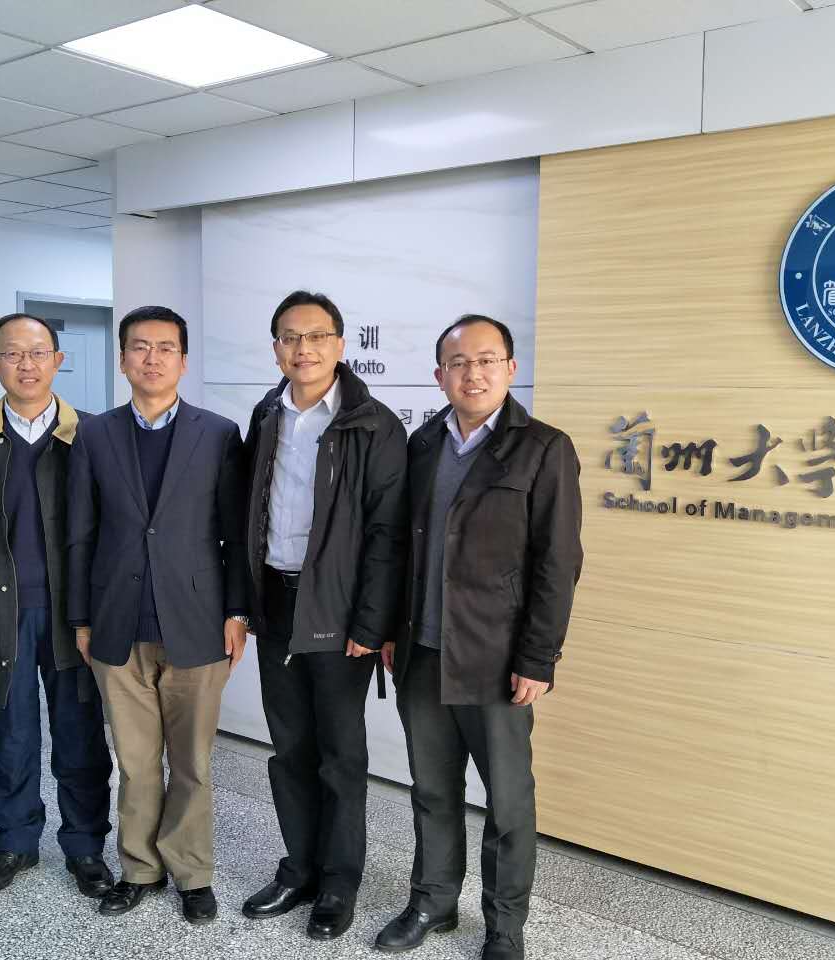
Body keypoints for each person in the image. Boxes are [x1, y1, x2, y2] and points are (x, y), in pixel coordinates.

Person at [374, 315, 583, 960]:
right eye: (459, 363)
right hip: (422, 653)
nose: (473, 374)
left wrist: (537, 657)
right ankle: (433, 901)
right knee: (431, 789)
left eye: (487, 360)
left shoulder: (543, 448)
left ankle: (504, 925)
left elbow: (558, 562)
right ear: (440, 375)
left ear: (511, 369)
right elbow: (400, 548)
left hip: (496, 660)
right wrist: (390, 628)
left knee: (508, 803)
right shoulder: (422, 444)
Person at [67, 305, 249, 924]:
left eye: (165, 348)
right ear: (122, 360)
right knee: (136, 761)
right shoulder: (94, 434)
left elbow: (235, 533)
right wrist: (81, 618)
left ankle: (193, 874)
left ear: (183, 361)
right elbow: (80, 533)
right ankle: (139, 869)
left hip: (197, 621)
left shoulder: (218, 434)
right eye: (140, 347)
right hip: (116, 621)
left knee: (192, 763)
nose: (152, 358)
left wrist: (238, 611)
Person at [240, 290, 409, 941]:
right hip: (276, 601)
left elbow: (388, 534)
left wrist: (371, 624)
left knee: (340, 754)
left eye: (316, 337)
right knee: (289, 748)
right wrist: (245, 603)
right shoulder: (266, 413)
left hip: (338, 610)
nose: (303, 349)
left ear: (340, 345)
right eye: (290, 337)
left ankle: (339, 881)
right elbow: (248, 511)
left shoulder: (373, 425)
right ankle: (300, 868)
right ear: (276, 348)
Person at [0, 313, 113, 898]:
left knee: (80, 735)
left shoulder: (93, 436)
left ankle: (85, 846)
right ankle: (14, 842)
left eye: (37, 353)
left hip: (73, 617)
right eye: (12, 354)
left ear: (58, 360)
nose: (26, 365)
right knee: (9, 735)